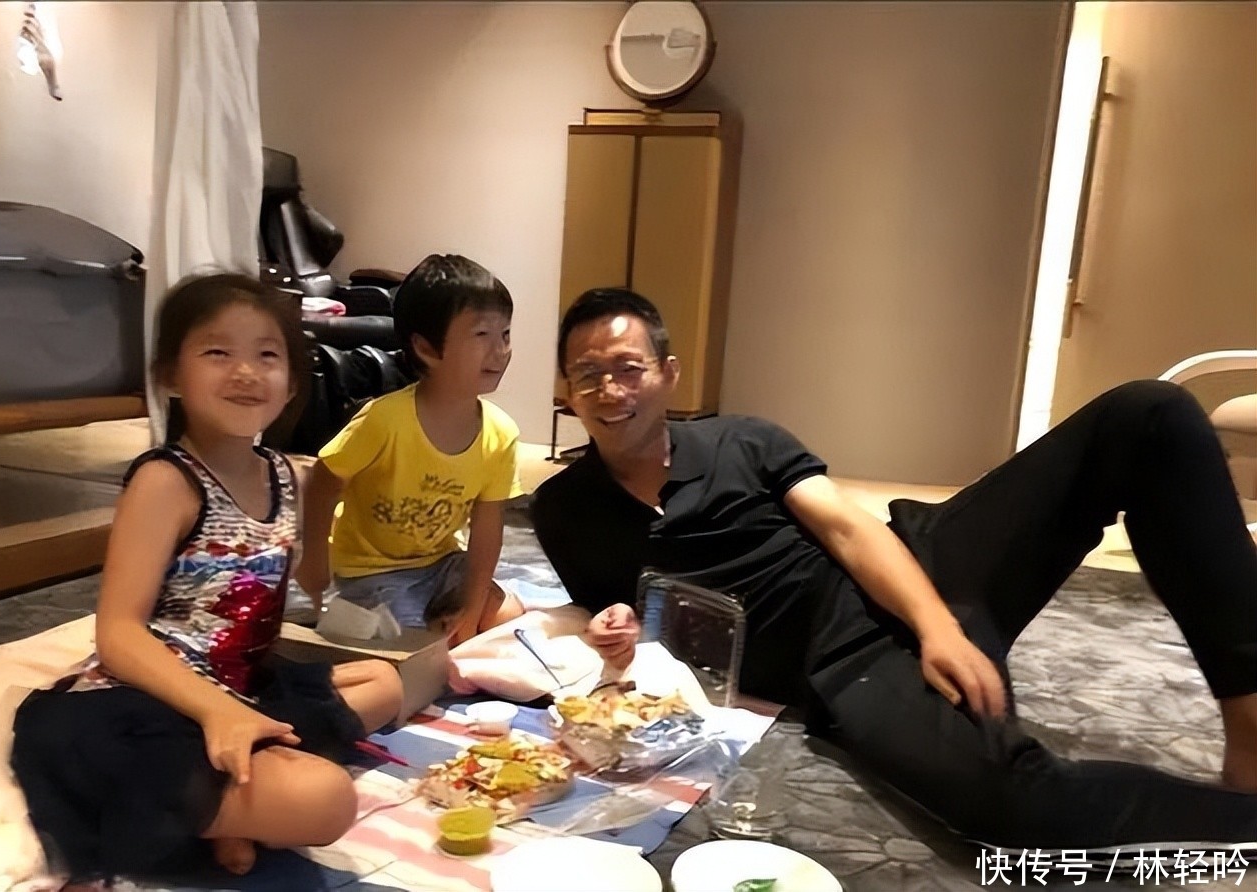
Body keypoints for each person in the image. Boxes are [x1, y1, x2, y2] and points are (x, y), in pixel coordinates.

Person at [531, 287, 1257, 850]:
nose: (610, 391)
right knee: (1015, 805)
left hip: (924, 560)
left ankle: (1250, 729)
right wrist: (612, 631)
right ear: (566, 390)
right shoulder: (563, 509)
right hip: (845, 664)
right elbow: (618, 619)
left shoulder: (741, 440)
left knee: (1148, 415)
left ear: (668, 374)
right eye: (588, 375)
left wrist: (938, 627)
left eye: (629, 368)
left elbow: (848, 530)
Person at [11, 274, 404, 885]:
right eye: (218, 352)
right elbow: (118, 633)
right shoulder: (167, 481)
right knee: (328, 799)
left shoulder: (284, 474)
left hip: (237, 688)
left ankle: (228, 804)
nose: (245, 372)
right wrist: (219, 712)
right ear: (171, 374)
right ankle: (220, 806)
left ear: (291, 382)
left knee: (384, 682)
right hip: (144, 701)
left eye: (267, 354)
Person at [296, 254, 524, 647]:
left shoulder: (500, 434)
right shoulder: (385, 420)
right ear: (426, 348)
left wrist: (472, 612)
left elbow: (487, 532)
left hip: (443, 565)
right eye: (481, 335)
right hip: (371, 572)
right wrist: (313, 559)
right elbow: (322, 482)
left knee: (507, 614)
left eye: (504, 334)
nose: (500, 350)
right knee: (405, 647)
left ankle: (440, 626)